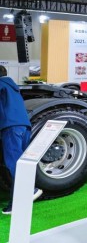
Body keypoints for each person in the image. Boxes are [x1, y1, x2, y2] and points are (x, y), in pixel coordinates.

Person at [0, 65, 42, 214]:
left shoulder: (1, 85)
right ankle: (15, 204)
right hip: (24, 126)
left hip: (10, 127)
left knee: (14, 164)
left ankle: (30, 190)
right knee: (21, 164)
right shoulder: (13, 87)